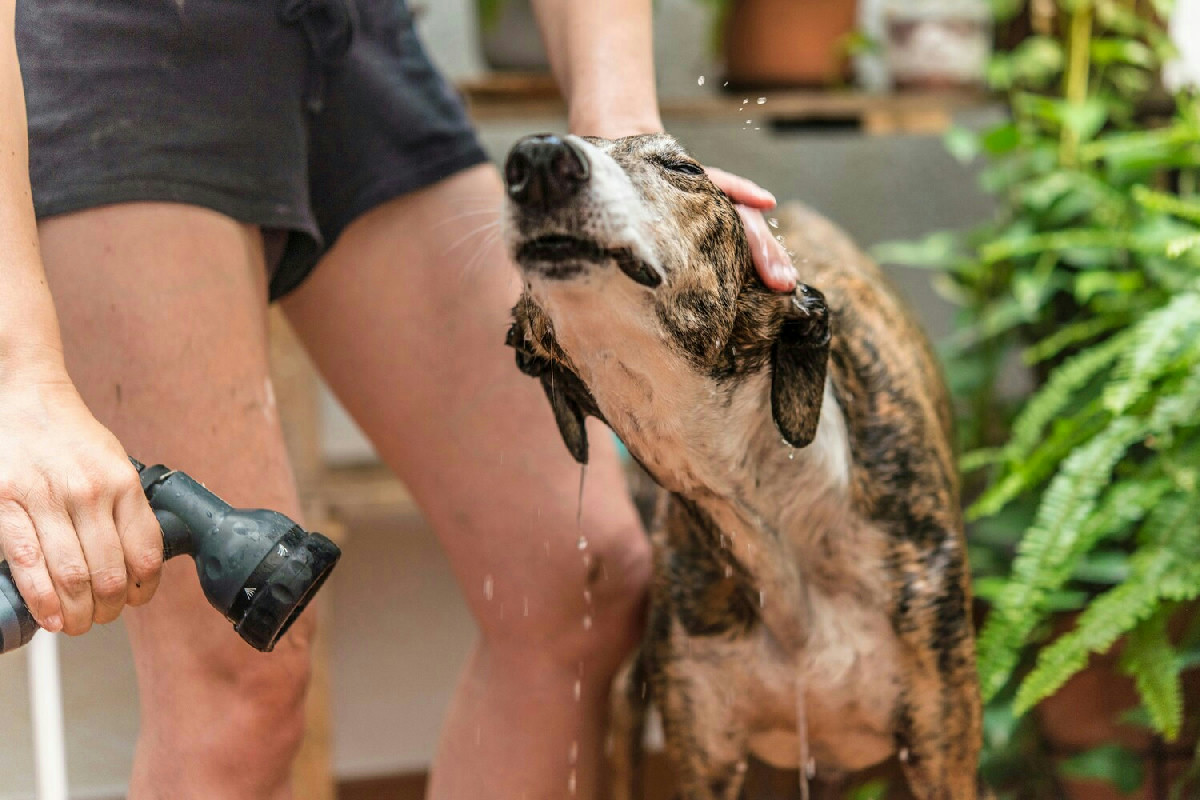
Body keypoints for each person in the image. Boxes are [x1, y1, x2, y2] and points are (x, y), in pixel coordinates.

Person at [0, 1, 796, 797]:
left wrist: (627, 154)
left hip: (350, 41)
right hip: (113, 48)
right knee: (242, 681)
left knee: (574, 584)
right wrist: (22, 375)